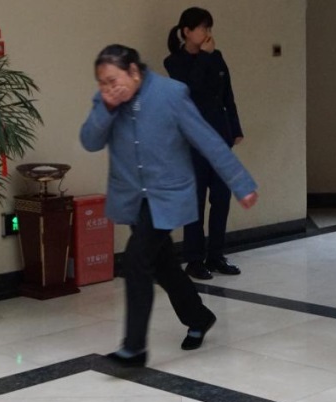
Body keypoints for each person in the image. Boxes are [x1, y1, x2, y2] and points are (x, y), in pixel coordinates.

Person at [80, 44, 258, 367]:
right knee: (162, 265)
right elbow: (89, 141)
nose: (108, 87)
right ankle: (199, 317)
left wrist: (240, 183)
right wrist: (106, 107)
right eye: (102, 82)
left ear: (134, 72)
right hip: (133, 197)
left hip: (167, 195)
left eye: (113, 80)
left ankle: (134, 349)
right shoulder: (106, 100)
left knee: (136, 260)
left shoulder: (170, 94)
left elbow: (207, 140)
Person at [163, 7, 244, 280]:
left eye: (209, 28)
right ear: (187, 31)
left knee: (221, 198)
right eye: (202, 28)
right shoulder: (174, 62)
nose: (207, 33)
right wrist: (205, 57)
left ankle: (216, 255)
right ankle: (194, 259)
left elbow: (227, 94)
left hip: (219, 136)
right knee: (195, 201)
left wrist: (235, 128)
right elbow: (190, 88)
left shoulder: (217, 57)